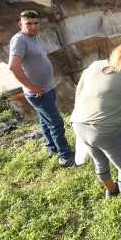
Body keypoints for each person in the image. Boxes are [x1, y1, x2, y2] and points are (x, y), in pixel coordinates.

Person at [70, 42, 121, 220]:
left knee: (99, 160)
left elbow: (79, 91)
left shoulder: (96, 65)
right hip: (105, 130)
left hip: (79, 123)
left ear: (114, 53)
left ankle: (111, 190)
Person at [8, 10, 73, 167]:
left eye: (36, 23)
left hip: (46, 88)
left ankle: (52, 148)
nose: (33, 26)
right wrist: (31, 87)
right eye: (28, 23)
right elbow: (13, 67)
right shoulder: (19, 40)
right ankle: (65, 156)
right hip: (38, 92)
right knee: (56, 123)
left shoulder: (32, 38)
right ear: (20, 24)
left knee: (45, 122)